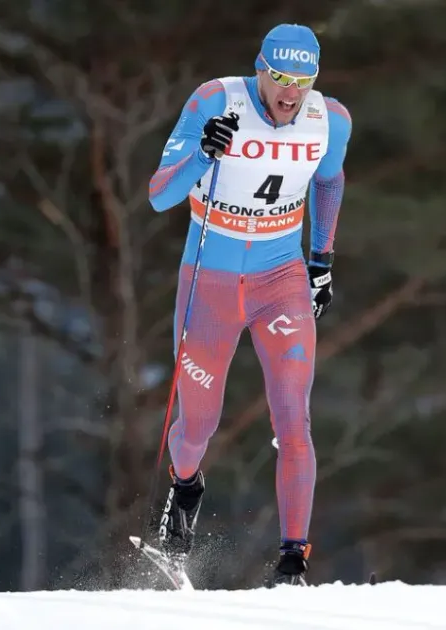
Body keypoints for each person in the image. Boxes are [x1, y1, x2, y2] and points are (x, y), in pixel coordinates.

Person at [147, 22, 351, 586]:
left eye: (302, 81)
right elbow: (161, 194)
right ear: (259, 70)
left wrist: (321, 262)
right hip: (210, 277)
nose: (290, 92)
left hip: (280, 278)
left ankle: (292, 563)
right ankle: (185, 490)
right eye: (280, 78)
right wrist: (202, 155)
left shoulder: (329, 119)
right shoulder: (215, 99)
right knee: (197, 426)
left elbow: (330, 182)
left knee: (294, 421)